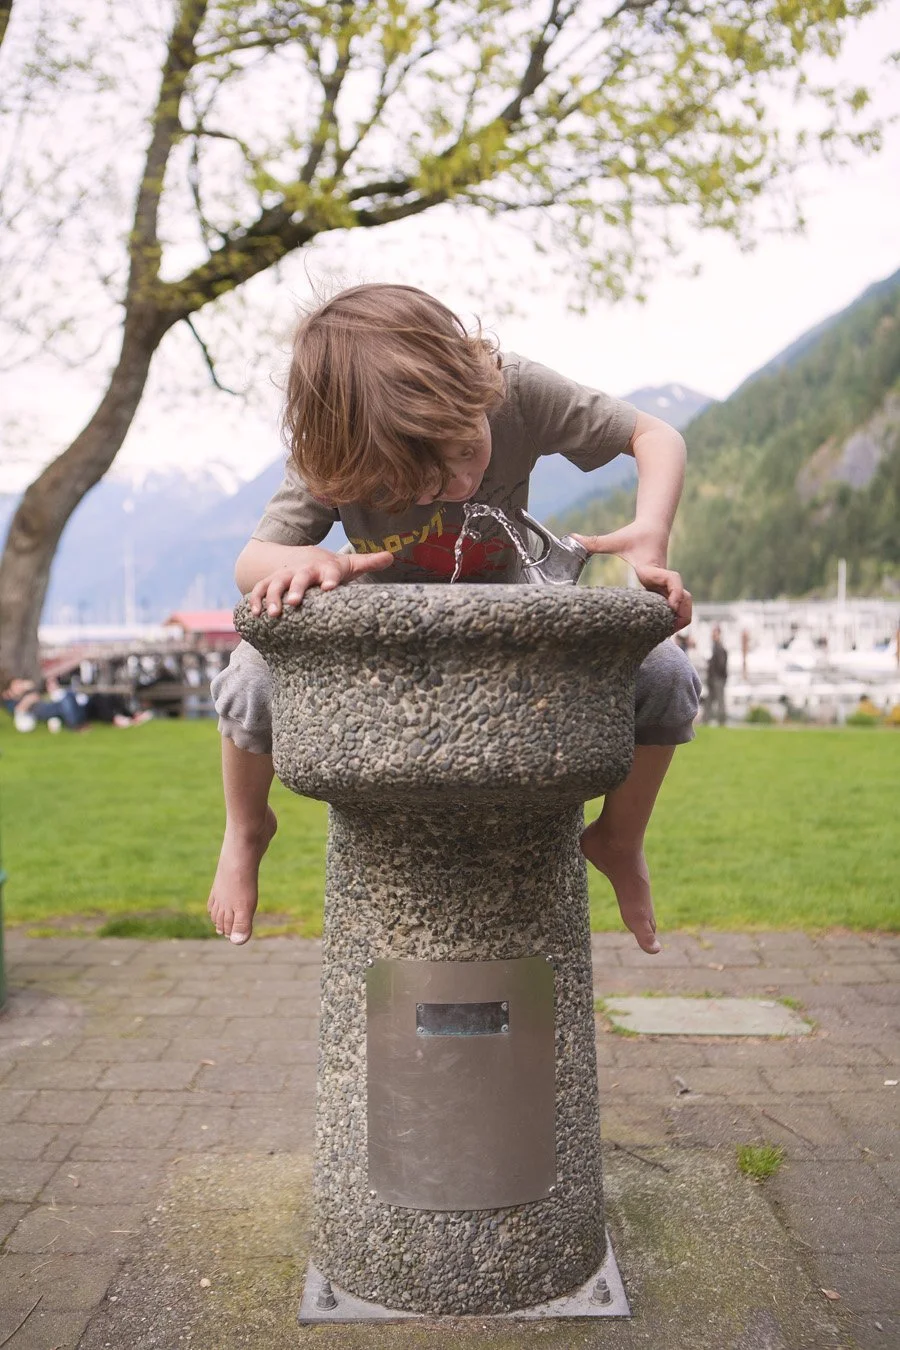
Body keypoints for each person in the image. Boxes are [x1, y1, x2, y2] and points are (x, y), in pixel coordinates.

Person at [207, 283, 701, 955]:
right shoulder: (338, 450)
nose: (460, 485)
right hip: (379, 632)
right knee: (249, 676)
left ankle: (619, 836)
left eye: (468, 451)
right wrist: (306, 562)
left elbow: (655, 435)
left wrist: (651, 533)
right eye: (425, 485)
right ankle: (245, 828)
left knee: (667, 672)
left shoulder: (511, 388)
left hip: (507, 616)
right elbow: (252, 560)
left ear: (476, 393)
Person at [2, 676, 152, 731]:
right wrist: (28, 699)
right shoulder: (10, 701)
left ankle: (132, 715)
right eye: (17, 684)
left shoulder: (29, 693)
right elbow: (18, 711)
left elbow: (46, 694)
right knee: (67, 697)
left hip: (71, 707)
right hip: (55, 710)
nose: (20, 686)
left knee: (101, 697)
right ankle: (76, 726)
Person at [705, 626, 728, 725]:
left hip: (717, 678)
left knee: (719, 700)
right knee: (710, 700)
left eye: (715, 633)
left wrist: (716, 676)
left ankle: (721, 720)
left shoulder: (719, 648)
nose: (713, 636)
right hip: (713, 678)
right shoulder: (715, 647)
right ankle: (706, 719)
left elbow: (721, 664)